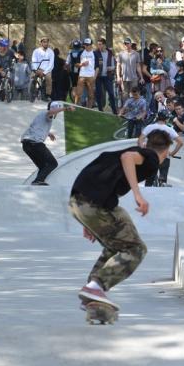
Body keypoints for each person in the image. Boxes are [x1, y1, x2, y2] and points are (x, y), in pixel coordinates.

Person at [70, 129, 173, 310]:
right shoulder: (150, 158)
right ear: (165, 151)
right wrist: (138, 194)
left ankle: (92, 292)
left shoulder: (133, 151)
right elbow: (127, 158)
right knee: (136, 248)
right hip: (93, 204)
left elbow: (101, 173)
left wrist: (89, 222)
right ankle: (96, 286)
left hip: (81, 201)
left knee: (117, 243)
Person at [21, 101, 74, 186]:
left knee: (43, 166)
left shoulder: (41, 115)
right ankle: (38, 180)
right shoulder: (47, 113)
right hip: (35, 144)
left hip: (26, 145)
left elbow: (36, 127)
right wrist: (66, 108)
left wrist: (48, 133)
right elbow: (50, 112)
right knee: (53, 163)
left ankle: (37, 181)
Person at [139, 110, 183, 186]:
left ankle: (149, 188)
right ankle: (163, 182)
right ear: (166, 119)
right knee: (163, 175)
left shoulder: (149, 127)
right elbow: (180, 142)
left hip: (151, 156)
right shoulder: (169, 129)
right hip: (164, 156)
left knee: (149, 180)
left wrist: (143, 150)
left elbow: (140, 140)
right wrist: (172, 153)